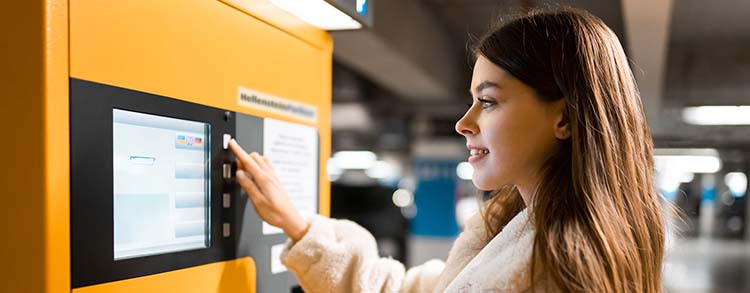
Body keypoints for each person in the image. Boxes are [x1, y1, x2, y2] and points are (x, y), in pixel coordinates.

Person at [229, 7, 666, 292]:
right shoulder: (520, 231)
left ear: (565, 119)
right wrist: (300, 226)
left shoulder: (559, 272)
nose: (463, 122)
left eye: (489, 101)